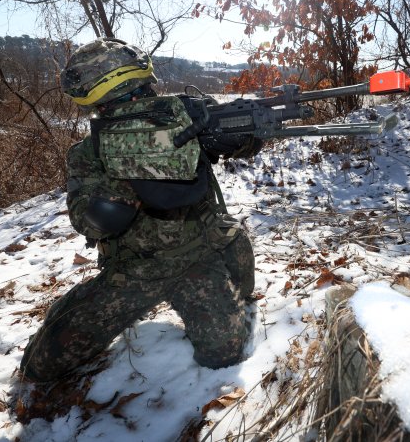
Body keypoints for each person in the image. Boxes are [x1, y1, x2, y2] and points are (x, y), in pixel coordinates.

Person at [20, 38, 259, 382]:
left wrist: (240, 137)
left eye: (137, 96)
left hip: (198, 255)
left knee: (223, 352)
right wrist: (128, 177)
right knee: (39, 366)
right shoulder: (91, 151)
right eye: (124, 99)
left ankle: (233, 245)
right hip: (133, 271)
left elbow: (247, 139)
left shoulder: (184, 119)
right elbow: (92, 222)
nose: (133, 103)